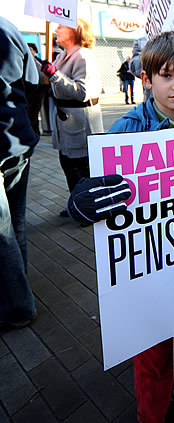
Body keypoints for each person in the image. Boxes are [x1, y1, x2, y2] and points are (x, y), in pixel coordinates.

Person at [108, 30, 174, 423]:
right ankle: (151, 413)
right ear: (147, 79)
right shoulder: (125, 130)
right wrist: (84, 200)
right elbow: (97, 199)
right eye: (167, 76)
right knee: (151, 352)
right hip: (149, 269)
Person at [40, 18, 104, 218]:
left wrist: (55, 76)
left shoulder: (83, 56)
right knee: (68, 166)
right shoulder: (61, 57)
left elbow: (83, 92)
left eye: (61, 26)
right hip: (65, 121)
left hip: (81, 123)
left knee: (83, 170)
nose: (56, 29)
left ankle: (90, 209)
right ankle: (77, 203)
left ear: (75, 31)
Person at [0, 17, 39, 329]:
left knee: (4, 230)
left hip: (6, 141)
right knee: (15, 222)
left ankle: (18, 305)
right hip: (19, 139)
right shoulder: (10, 28)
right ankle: (19, 289)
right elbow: (33, 84)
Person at [26, 43, 49, 136]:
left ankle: (35, 132)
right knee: (30, 112)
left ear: (35, 51)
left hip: (39, 90)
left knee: (34, 112)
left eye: (31, 49)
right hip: (29, 91)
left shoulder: (39, 62)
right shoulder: (25, 61)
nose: (29, 51)